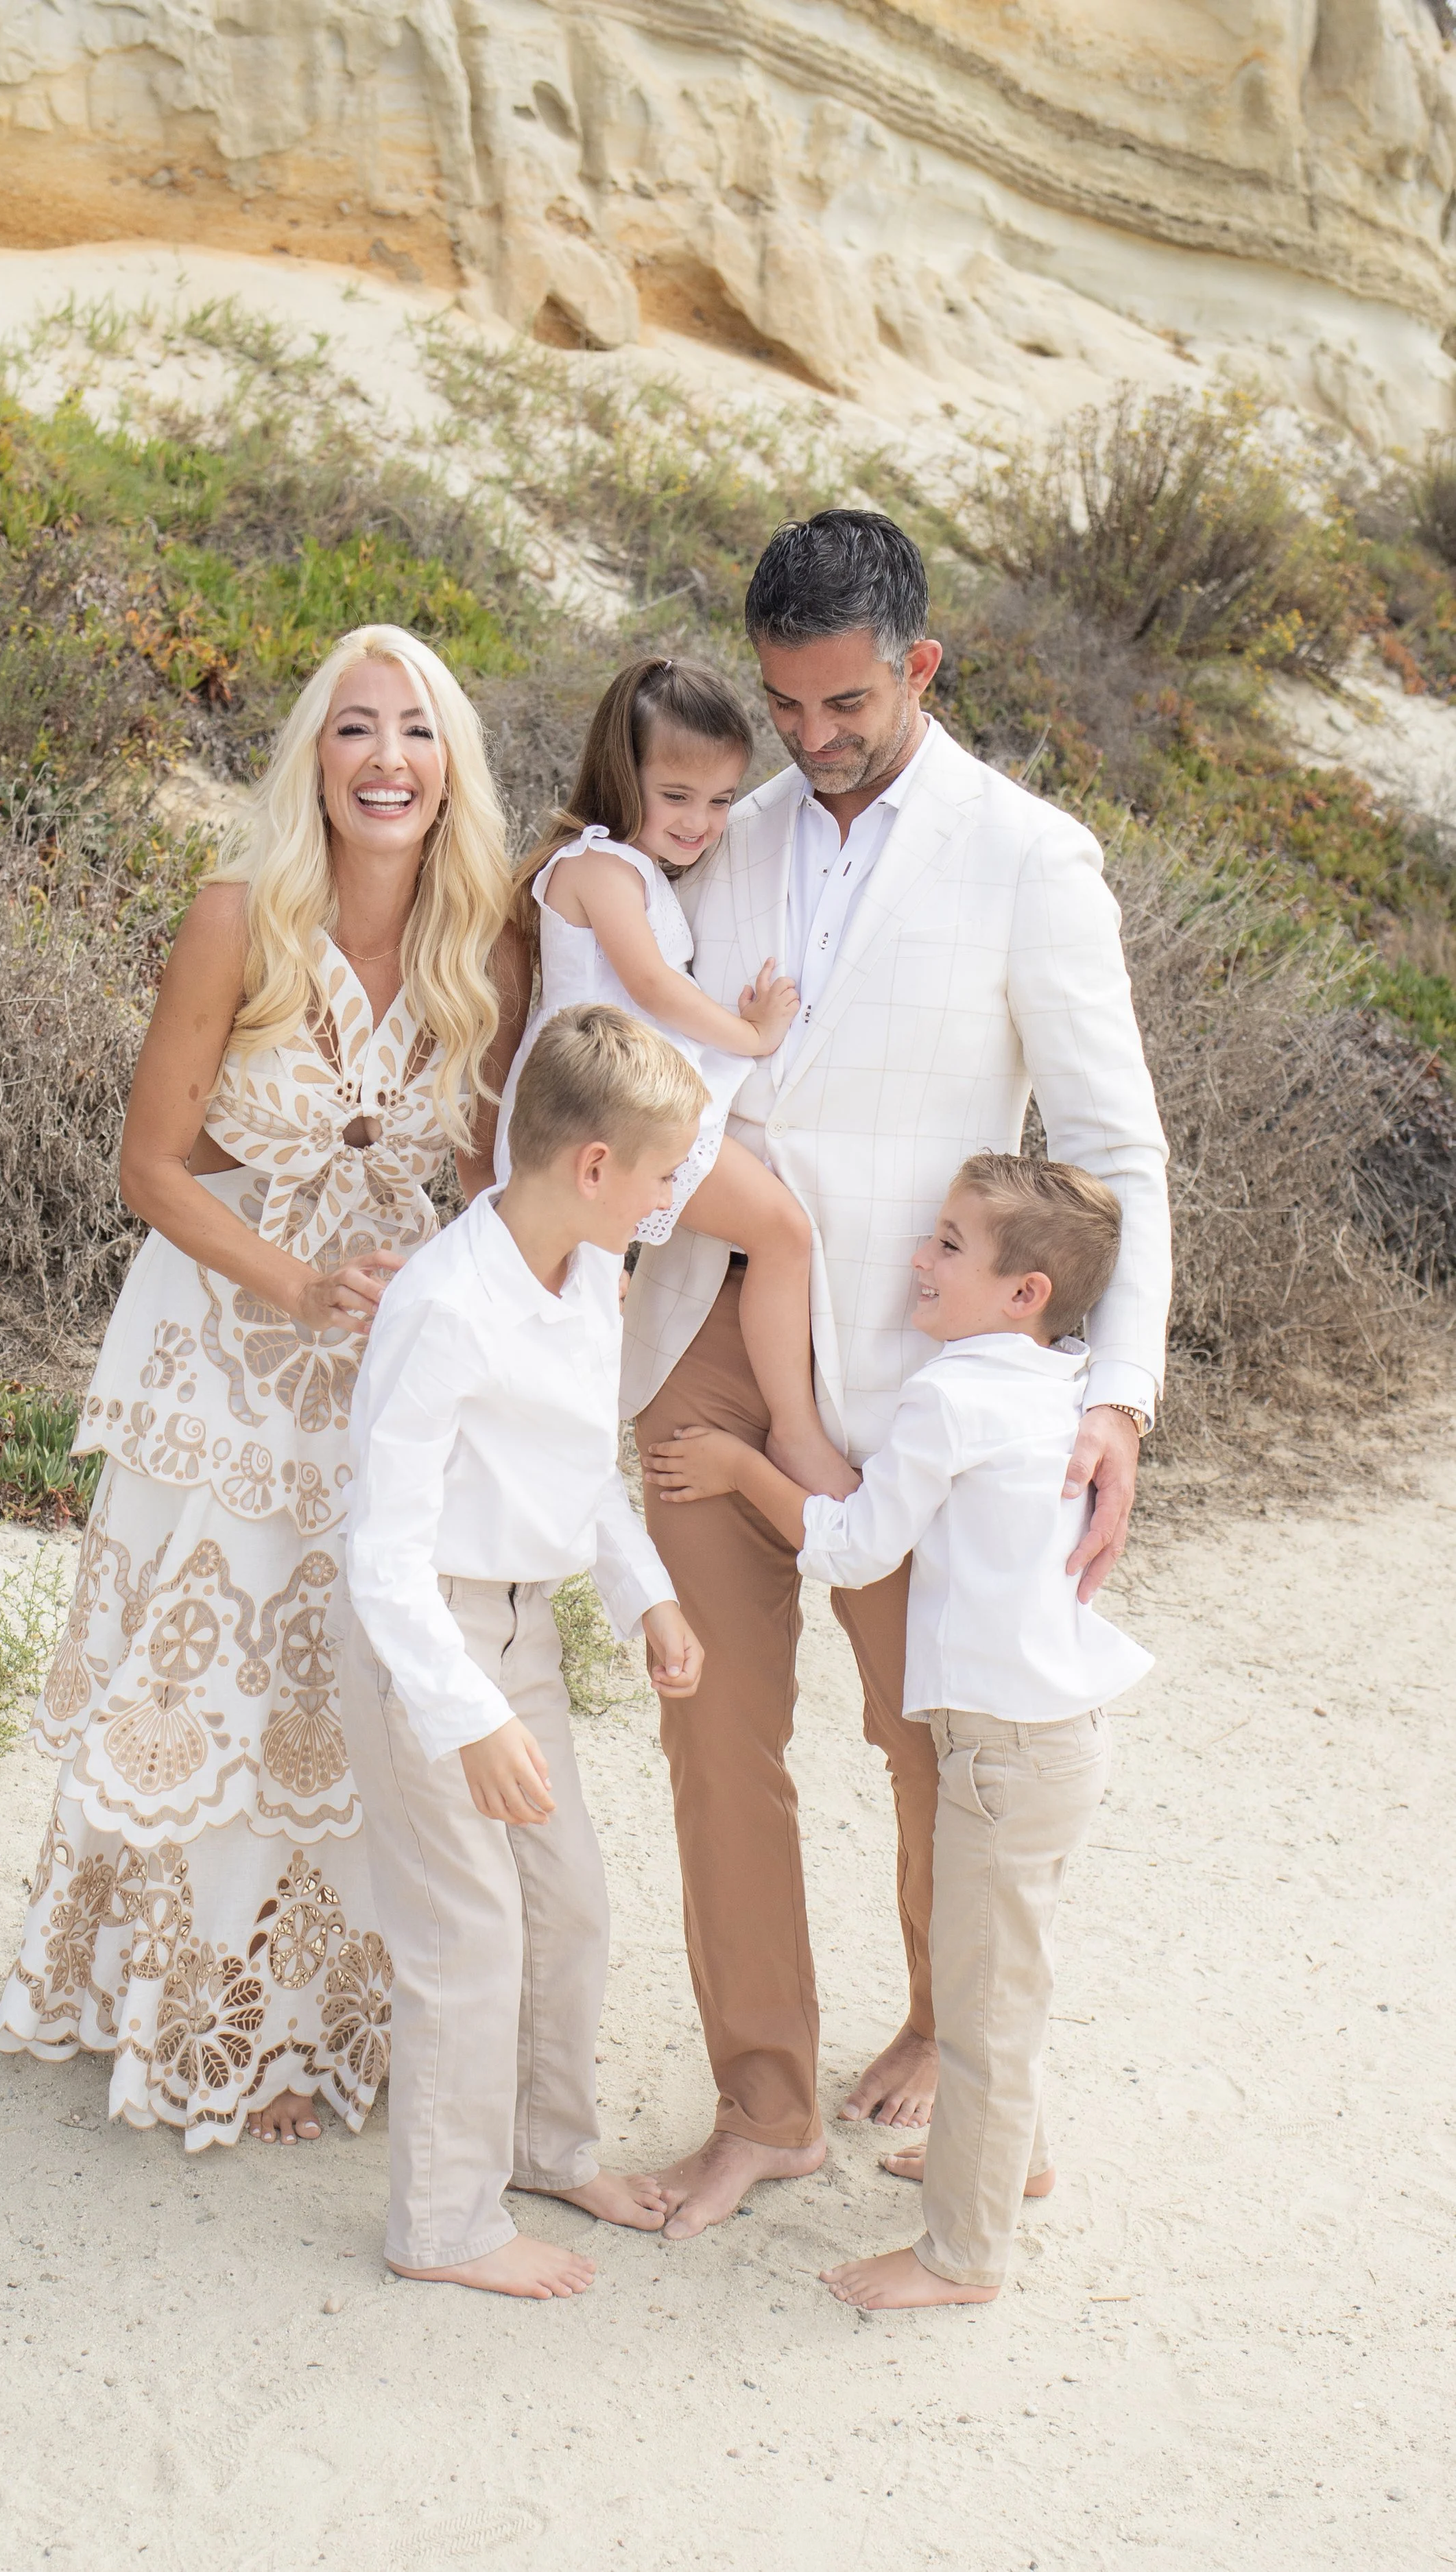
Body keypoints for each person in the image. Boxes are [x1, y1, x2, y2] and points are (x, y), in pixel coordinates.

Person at [622, 508, 1172, 2237]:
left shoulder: (1032, 856)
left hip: (916, 1377)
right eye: (785, 707)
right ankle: (763, 2102)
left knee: (923, 1742)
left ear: (918, 666)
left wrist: (1115, 1394)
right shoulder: (730, 828)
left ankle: (953, 2029)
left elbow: (1111, 1149)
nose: (808, 738)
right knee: (716, 1736)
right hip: (707, 1336)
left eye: (843, 703)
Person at [0, 625, 527, 2150]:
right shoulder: (239, 919)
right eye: (353, 730)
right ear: (312, 758)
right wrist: (293, 1283)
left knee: (344, 1678)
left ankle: (313, 2017)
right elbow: (148, 1167)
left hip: (384, 1364)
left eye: (415, 733)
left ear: (450, 768)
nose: (384, 761)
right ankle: (185, 2012)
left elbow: (491, 1182)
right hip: (224, 1354)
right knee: (214, 1683)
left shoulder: (482, 944)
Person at [646, 1153, 1151, 2307]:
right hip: (1051, 1735)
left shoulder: (948, 1394)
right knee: (1001, 1969)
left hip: (1003, 1748)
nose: (918, 1260)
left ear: (1023, 1292)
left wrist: (742, 1466)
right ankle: (1014, 2159)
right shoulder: (1057, 1382)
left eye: (948, 1246)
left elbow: (854, 1547)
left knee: (982, 2000)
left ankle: (961, 2259)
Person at [343, 1004, 706, 2299]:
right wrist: (467, 1715)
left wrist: (645, 1594)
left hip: (523, 1629)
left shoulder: (592, 1278)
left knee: (568, 1903)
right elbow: (379, 1552)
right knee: (470, 1929)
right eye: (667, 1174)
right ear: (594, 1167)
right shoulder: (446, 1306)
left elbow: (578, 1467)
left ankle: (548, 2147)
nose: (675, 1199)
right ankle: (442, 2223)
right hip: (424, 1637)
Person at [494, 657, 852, 1497]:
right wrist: (753, 1034)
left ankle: (546, 1474)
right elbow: (652, 986)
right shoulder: (596, 868)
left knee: (577, 1302)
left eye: (723, 800)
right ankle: (796, 1434)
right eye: (678, 795)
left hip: (615, 1102)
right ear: (625, 776)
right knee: (782, 1233)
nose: (702, 821)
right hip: (603, 1109)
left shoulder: (634, 870)